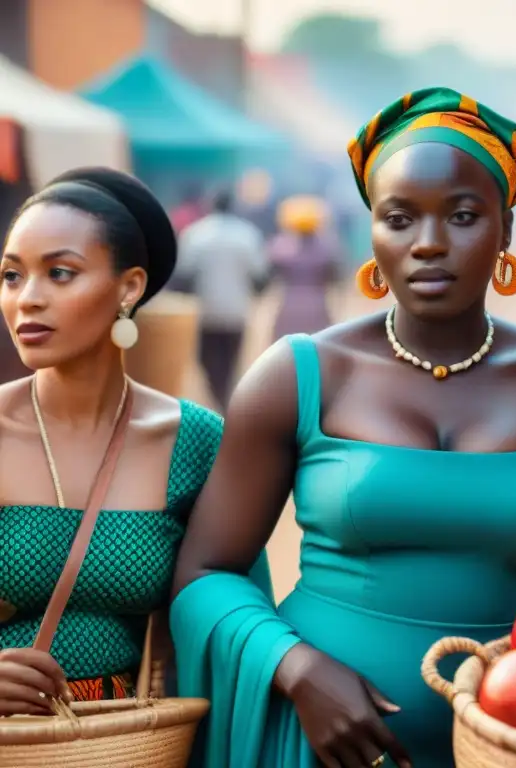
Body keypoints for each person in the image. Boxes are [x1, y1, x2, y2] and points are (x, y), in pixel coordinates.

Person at [170, 87, 516, 768]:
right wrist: (297, 669)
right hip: (312, 739)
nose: (429, 244)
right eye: (400, 218)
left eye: (464, 216)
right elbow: (203, 573)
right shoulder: (296, 376)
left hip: (499, 739)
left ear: (505, 228)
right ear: (371, 231)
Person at [0, 168, 268, 714]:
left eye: (59, 273)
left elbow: (239, 607)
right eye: (11, 275)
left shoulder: (196, 441)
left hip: (125, 744)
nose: (27, 298)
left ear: (130, 287)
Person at [175, 188, 268, 411]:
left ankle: (221, 404)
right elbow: (260, 279)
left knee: (207, 362)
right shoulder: (248, 234)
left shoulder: (195, 234)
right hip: (237, 312)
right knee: (229, 364)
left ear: (210, 206)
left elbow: (184, 277)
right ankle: (225, 403)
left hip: (205, 313)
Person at [269, 195, 340, 340]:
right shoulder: (328, 248)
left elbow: (269, 276)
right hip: (318, 308)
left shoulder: (279, 247)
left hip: (289, 308)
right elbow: (336, 279)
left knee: (286, 353)